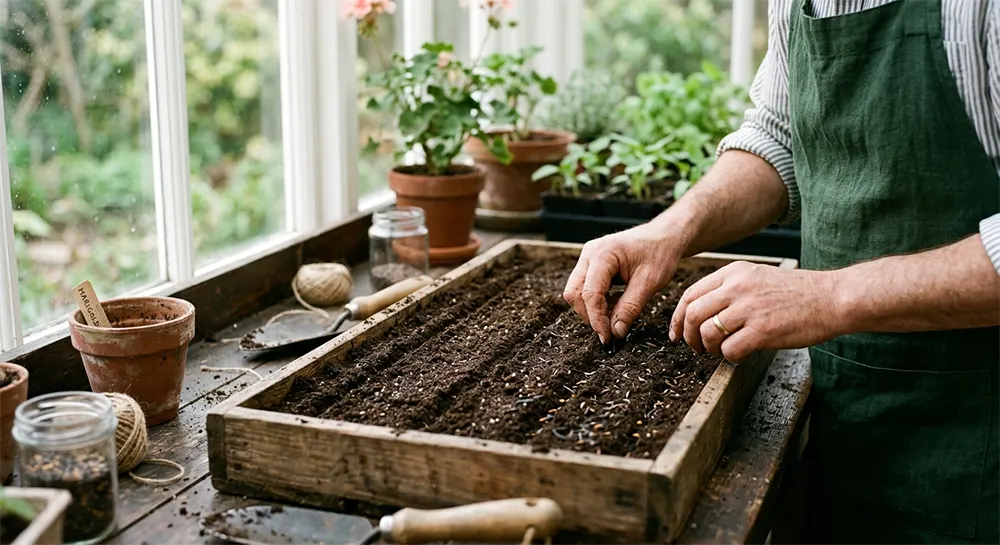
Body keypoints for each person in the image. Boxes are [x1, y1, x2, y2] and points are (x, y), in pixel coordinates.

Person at [563, 0, 1000, 543]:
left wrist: (827, 296)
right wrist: (669, 230)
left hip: (976, 441)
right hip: (848, 406)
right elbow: (778, 139)